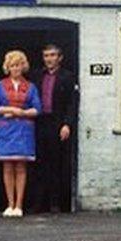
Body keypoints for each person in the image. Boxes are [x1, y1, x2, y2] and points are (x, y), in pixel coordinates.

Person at [0, 50, 41, 218]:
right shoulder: (0, 85)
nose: (16, 68)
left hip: (23, 130)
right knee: (7, 167)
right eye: (12, 65)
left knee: (20, 167)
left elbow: (37, 109)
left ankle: (19, 205)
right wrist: (12, 109)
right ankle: (9, 204)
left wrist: (21, 113)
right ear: (8, 67)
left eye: (18, 65)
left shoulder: (31, 87)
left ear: (23, 66)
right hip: (5, 130)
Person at [30, 42, 77, 213]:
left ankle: (55, 203)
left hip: (57, 122)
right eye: (46, 56)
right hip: (40, 121)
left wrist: (67, 124)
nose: (49, 59)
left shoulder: (67, 76)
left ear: (60, 58)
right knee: (38, 163)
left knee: (57, 163)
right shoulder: (36, 76)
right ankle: (37, 203)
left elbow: (72, 103)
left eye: (52, 55)